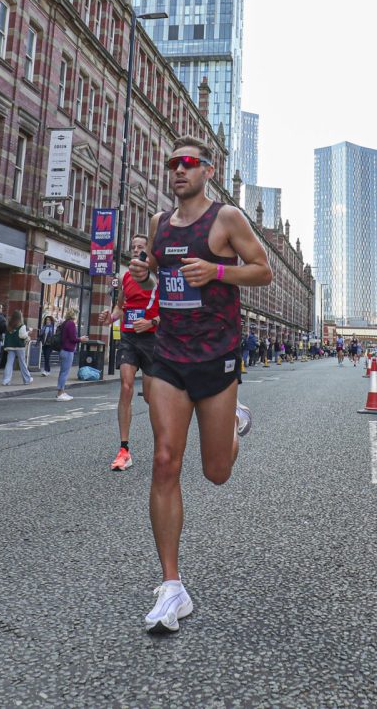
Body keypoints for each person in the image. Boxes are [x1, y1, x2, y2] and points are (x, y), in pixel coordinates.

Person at [142, 139, 271, 634]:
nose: (178, 170)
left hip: (216, 359)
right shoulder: (157, 224)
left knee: (216, 472)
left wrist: (217, 270)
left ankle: (234, 423)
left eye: (188, 163)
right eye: (172, 163)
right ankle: (172, 586)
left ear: (207, 171)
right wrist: (143, 272)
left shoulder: (227, 219)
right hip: (168, 357)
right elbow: (158, 270)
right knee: (163, 460)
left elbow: (262, 269)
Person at [106, 238, 160, 472]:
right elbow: (121, 305)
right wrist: (111, 317)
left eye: (141, 247)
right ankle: (124, 449)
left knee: (150, 397)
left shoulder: (157, 277)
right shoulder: (126, 277)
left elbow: (171, 309)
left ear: (148, 252)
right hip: (128, 337)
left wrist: (151, 322)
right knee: (126, 386)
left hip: (152, 339)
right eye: (133, 247)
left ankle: (163, 443)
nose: (136, 250)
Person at [0, 310, 33, 385]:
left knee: (9, 363)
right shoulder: (22, 326)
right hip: (19, 346)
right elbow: (22, 336)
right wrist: (29, 332)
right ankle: (27, 379)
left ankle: (6, 380)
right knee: (22, 363)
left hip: (10, 346)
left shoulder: (9, 325)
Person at [54, 312, 80, 401]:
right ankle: (60, 393)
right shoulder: (71, 323)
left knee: (63, 372)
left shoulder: (65, 323)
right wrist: (81, 339)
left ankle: (62, 391)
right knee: (64, 373)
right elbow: (73, 338)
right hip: (68, 351)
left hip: (63, 350)